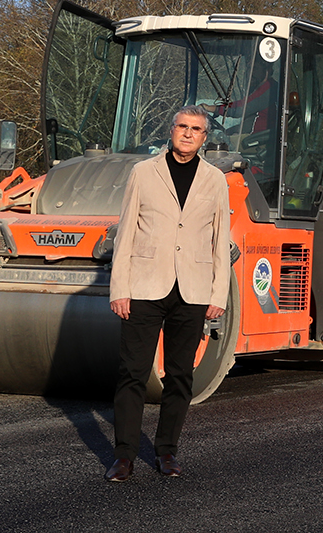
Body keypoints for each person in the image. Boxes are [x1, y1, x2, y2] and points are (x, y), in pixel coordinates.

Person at [105, 105, 232, 482]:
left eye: (196, 129)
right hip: (144, 285)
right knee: (132, 373)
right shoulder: (143, 173)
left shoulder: (215, 180)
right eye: (182, 127)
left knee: (180, 376)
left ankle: (167, 452)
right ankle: (124, 456)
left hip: (192, 290)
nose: (188, 134)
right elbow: (125, 231)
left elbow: (219, 241)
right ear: (171, 130)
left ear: (204, 138)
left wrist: (218, 295)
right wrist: (120, 288)